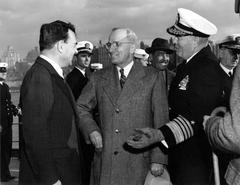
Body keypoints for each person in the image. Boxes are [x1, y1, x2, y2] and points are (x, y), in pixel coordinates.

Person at [128, 8, 224, 185]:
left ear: (194, 40)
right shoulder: (187, 67)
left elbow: (197, 116)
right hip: (182, 155)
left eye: (180, 38)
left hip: (196, 160)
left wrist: (158, 134)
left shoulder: (206, 69)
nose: (176, 43)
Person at [77, 27, 169, 185]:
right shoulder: (98, 77)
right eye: (109, 45)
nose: (111, 49)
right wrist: (91, 130)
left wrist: (159, 159)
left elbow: (161, 121)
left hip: (139, 164)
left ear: (132, 47)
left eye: (116, 44)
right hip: (107, 164)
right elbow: (80, 107)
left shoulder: (152, 77)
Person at [19, 20, 82, 185]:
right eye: (74, 44)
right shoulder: (39, 77)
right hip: (54, 177)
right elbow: (35, 134)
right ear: (61, 46)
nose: (76, 50)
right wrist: (50, 179)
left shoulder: (49, 74)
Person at [203, 35, 240, 185]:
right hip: (216, 146)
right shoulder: (209, 76)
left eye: (238, 52)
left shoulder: (237, 75)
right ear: (221, 52)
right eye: (232, 52)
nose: (236, 56)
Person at [66, 40, 94, 185]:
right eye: (83, 56)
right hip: (80, 128)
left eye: (89, 56)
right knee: (83, 165)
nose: (87, 59)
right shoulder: (73, 79)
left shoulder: (85, 77)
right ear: (76, 57)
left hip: (85, 126)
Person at [0, 62, 19, 182]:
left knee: (7, 149)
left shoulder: (5, 86)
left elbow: (8, 103)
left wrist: (16, 110)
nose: (4, 74)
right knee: (1, 150)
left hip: (8, 122)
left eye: (5, 72)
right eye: (2, 72)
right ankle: (3, 174)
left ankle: (6, 173)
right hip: (1, 124)